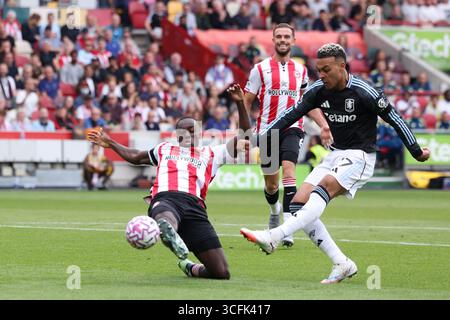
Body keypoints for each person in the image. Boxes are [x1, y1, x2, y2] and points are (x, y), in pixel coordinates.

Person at [240, 43, 430, 284]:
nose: (321, 75)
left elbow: (394, 118)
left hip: (361, 156)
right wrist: (262, 136)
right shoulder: (318, 90)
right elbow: (291, 115)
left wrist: (416, 151)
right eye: (319, 70)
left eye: (326, 69)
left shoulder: (364, 92)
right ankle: (342, 263)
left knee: (325, 187)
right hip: (336, 154)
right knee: (298, 203)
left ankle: (273, 236)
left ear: (342, 66)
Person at [87, 84, 252, 279]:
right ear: (178, 134)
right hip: (166, 198)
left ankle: (190, 267)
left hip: (195, 207)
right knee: (166, 218)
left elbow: (245, 137)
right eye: (187, 130)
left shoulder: (212, 153)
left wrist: (241, 103)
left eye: (195, 130)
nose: (192, 134)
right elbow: (136, 157)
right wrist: (111, 143)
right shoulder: (164, 149)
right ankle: (167, 231)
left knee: (221, 272)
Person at [242, 23, 329, 247]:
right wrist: (243, 131)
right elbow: (247, 100)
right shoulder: (259, 69)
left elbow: (307, 103)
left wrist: (323, 125)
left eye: (286, 37)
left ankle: (286, 229)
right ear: (273, 40)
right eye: (279, 36)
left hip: (293, 128)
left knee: (289, 172)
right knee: (272, 185)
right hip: (267, 130)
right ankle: (274, 211)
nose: (282, 40)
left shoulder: (300, 70)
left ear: (293, 40)